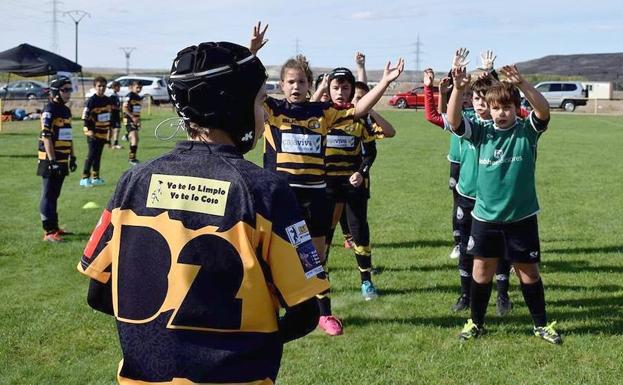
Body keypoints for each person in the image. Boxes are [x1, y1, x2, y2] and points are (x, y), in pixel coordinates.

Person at [78, 42, 330, 385]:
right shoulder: (265, 191)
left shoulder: (133, 181)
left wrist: (164, 334)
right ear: (235, 105)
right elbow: (304, 312)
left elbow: (98, 293)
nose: (266, 113)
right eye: (260, 101)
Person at [250, 22, 403, 336]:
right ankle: (266, 309)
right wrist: (252, 52)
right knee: (268, 254)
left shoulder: (324, 112)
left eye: (302, 81)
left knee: (314, 258)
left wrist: (384, 82)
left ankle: (323, 315)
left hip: (316, 196)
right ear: (281, 84)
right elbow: (250, 88)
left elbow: (359, 108)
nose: (296, 86)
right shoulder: (274, 110)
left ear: (309, 84)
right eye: (290, 81)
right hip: (281, 195)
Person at [446, 64, 562, 344]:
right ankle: (475, 323)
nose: (501, 113)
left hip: (521, 218)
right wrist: (459, 89)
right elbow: (454, 121)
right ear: (489, 108)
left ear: (516, 108)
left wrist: (523, 84)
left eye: (507, 107)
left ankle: (541, 325)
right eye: (496, 108)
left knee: (529, 272)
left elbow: (543, 111)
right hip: (485, 218)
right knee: (481, 272)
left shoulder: (526, 131)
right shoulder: (482, 133)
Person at [37, 76, 77, 242]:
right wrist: (52, 161)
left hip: (62, 158)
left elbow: (68, 135)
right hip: (49, 159)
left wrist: (72, 156)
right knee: (48, 193)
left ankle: (55, 227)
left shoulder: (66, 110)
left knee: (55, 194)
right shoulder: (49, 110)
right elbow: (46, 136)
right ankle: (48, 232)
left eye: (70, 89)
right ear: (55, 91)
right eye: (65, 90)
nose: (68, 93)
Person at [80, 76, 112, 187]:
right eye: (99, 86)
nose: (101, 88)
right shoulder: (91, 101)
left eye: (103, 86)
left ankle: (96, 177)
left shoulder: (108, 101)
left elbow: (109, 118)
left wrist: (109, 134)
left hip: (103, 133)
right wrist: (88, 130)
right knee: (91, 155)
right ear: (94, 87)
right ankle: (85, 178)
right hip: (93, 133)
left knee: (98, 155)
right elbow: (85, 117)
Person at [123, 80, 142, 165]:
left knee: (134, 138)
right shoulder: (129, 96)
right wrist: (132, 117)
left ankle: (126, 136)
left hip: (135, 120)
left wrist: (139, 120)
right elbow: (125, 108)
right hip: (129, 119)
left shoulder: (138, 97)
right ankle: (132, 159)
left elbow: (137, 110)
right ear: (132, 87)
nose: (139, 89)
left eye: (140, 87)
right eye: (137, 87)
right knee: (135, 138)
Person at [109, 80, 123, 149]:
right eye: (119, 86)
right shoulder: (112, 95)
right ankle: (109, 143)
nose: (120, 88)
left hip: (117, 115)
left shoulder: (116, 95)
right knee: (111, 130)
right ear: (114, 87)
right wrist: (118, 108)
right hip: (112, 115)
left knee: (117, 129)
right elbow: (110, 106)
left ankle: (115, 143)